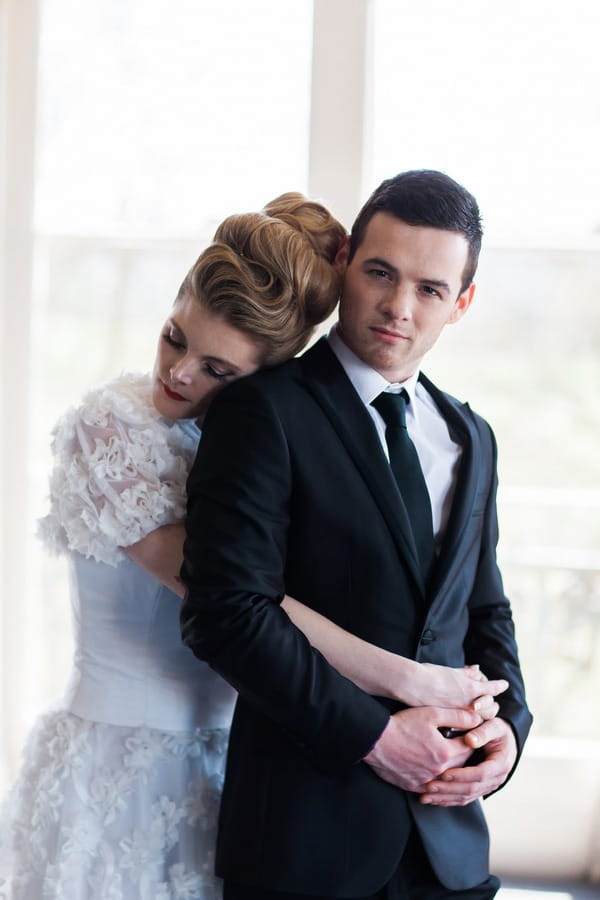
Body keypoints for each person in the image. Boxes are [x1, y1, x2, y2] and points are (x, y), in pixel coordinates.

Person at [0, 191, 506, 900]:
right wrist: (407, 682)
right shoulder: (115, 429)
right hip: (123, 759)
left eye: (219, 369)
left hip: (235, 757)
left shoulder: (450, 432)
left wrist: (498, 727)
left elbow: (480, 605)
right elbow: (234, 597)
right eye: (176, 338)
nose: (180, 375)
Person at [180, 171, 534, 899]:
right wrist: (374, 740)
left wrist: (507, 736)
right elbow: (225, 611)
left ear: (460, 303)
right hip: (304, 842)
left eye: (431, 290)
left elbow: (482, 610)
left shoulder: (474, 436)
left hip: (449, 847)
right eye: (381, 273)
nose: (399, 308)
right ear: (344, 262)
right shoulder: (261, 412)